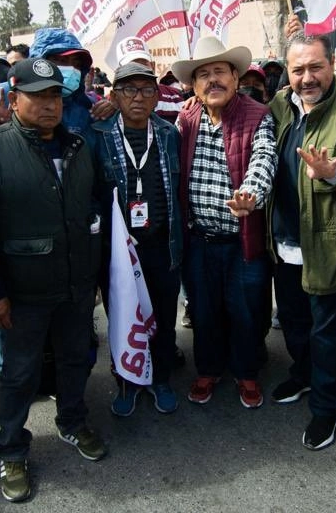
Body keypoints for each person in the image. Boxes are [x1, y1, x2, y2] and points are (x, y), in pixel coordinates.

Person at [0, 58, 108, 503]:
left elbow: (94, 210)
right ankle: (12, 448)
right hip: (21, 292)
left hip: (76, 285)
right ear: (14, 97)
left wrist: (95, 274)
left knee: (75, 359)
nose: (48, 104)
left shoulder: (79, 145)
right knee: (20, 373)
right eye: (37, 95)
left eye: (55, 95)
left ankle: (72, 422)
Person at [267, 32, 336, 449]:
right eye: (298, 69)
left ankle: (328, 406)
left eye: (316, 67)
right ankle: (303, 374)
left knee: (327, 334)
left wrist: (333, 172)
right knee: (294, 323)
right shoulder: (280, 104)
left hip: (327, 244)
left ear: (333, 66)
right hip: (283, 241)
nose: (307, 77)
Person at [171, 37, 276, 409]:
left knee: (246, 311)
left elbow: (264, 158)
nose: (212, 80)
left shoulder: (257, 115)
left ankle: (246, 373)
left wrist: (251, 193)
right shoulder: (186, 118)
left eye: (220, 71)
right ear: (194, 85)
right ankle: (209, 369)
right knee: (204, 311)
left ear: (235, 77)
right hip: (198, 240)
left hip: (241, 239)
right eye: (203, 75)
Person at [101, 61, 184, 417]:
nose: (138, 97)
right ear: (114, 96)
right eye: (129, 89)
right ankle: (127, 381)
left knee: (163, 318)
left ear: (156, 96)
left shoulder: (168, 134)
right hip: (120, 252)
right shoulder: (99, 135)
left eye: (147, 90)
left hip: (162, 245)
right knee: (124, 317)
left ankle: (160, 378)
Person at [115, 36, 185, 121]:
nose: (139, 70)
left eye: (144, 64)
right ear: (119, 71)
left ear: (153, 66)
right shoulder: (112, 103)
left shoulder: (176, 97)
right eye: (131, 65)